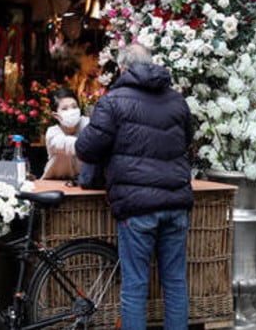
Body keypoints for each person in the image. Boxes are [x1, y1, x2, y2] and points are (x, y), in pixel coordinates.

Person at [75, 44, 193, 330]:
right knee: (175, 281)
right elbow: (187, 140)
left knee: (135, 287)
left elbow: (87, 148)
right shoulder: (177, 101)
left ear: (123, 68)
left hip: (137, 207)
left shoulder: (113, 101)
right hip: (176, 203)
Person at [40, 88, 90, 180]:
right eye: (64, 108)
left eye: (74, 107)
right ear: (56, 115)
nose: (71, 111)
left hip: (84, 183)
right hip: (54, 183)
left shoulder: (87, 124)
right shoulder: (52, 133)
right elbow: (65, 144)